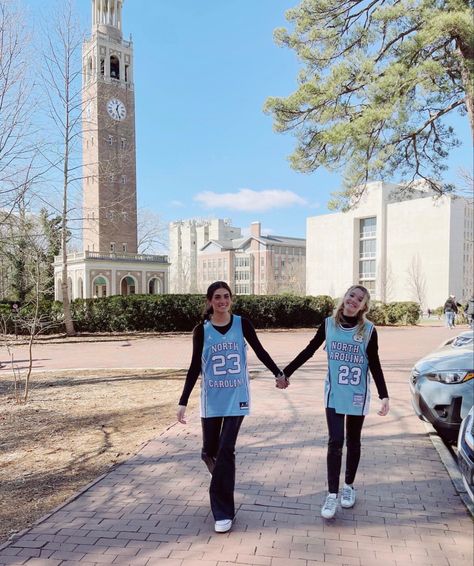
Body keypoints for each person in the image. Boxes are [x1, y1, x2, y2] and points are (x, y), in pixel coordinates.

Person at [177, 281, 285, 533]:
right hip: (212, 399)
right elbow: (195, 367)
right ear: (209, 301)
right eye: (217, 297)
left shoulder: (242, 324)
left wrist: (278, 373)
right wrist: (183, 401)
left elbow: (260, 350)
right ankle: (220, 480)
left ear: (231, 299)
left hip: (237, 397)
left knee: (226, 451)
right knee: (210, 452)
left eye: (226, 296)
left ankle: (223, 512)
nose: (222, 301)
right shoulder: (201, 331)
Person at [276, 285, 389, 519]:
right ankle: (331, 494)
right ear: (344, 298)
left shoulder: (368, 330)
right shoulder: (328, 324)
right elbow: (309, 350)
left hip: (358, 393)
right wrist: (286, 373)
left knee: (353, 440)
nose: (354, 301)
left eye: (359, 299)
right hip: (334, 392)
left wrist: (384, 395)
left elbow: (375, 364)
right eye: (351, 296)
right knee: (335, 440)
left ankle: (348, 486)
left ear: (364, 306)